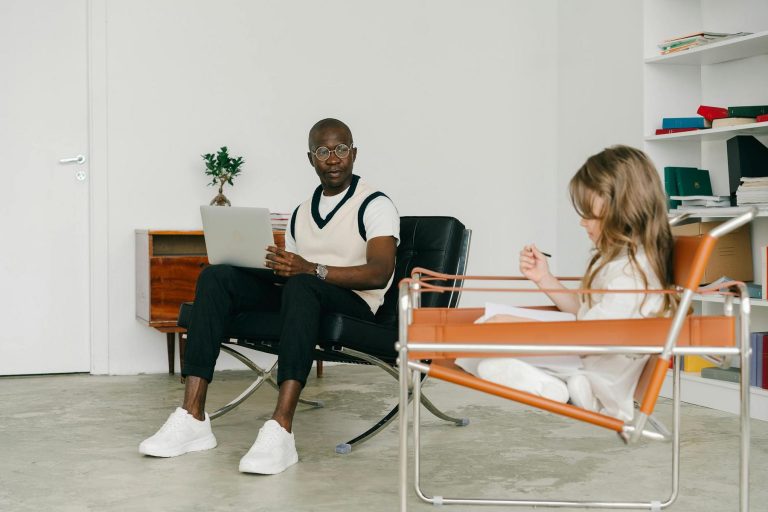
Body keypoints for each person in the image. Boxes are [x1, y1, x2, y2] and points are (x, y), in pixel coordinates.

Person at [139, 118, 399, 474]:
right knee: (217, 276)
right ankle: (192, 417)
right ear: (311, 159)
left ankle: (281, 429)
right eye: (323, 151)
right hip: (305, 295)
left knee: (303, 283)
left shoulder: (375, 204)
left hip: (355, 305)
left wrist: (310, 269)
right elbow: (295, 276)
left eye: (341, 149)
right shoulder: (300, 212)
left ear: (353, 153)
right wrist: (276, 269)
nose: (334, 159)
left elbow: (380, 272)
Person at [457, 145, 675, 421]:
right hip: (583, 355)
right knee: (482, 347)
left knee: (484, 351)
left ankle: (567, 391)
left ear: (622, 211)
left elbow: (590, 336)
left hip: (596, 368)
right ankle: (556, 386)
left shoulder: (632, 274)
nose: (583, 223)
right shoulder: (619, 261)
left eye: (589, 215)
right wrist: (544, 279)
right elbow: (582, 312)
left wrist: (517, 327)